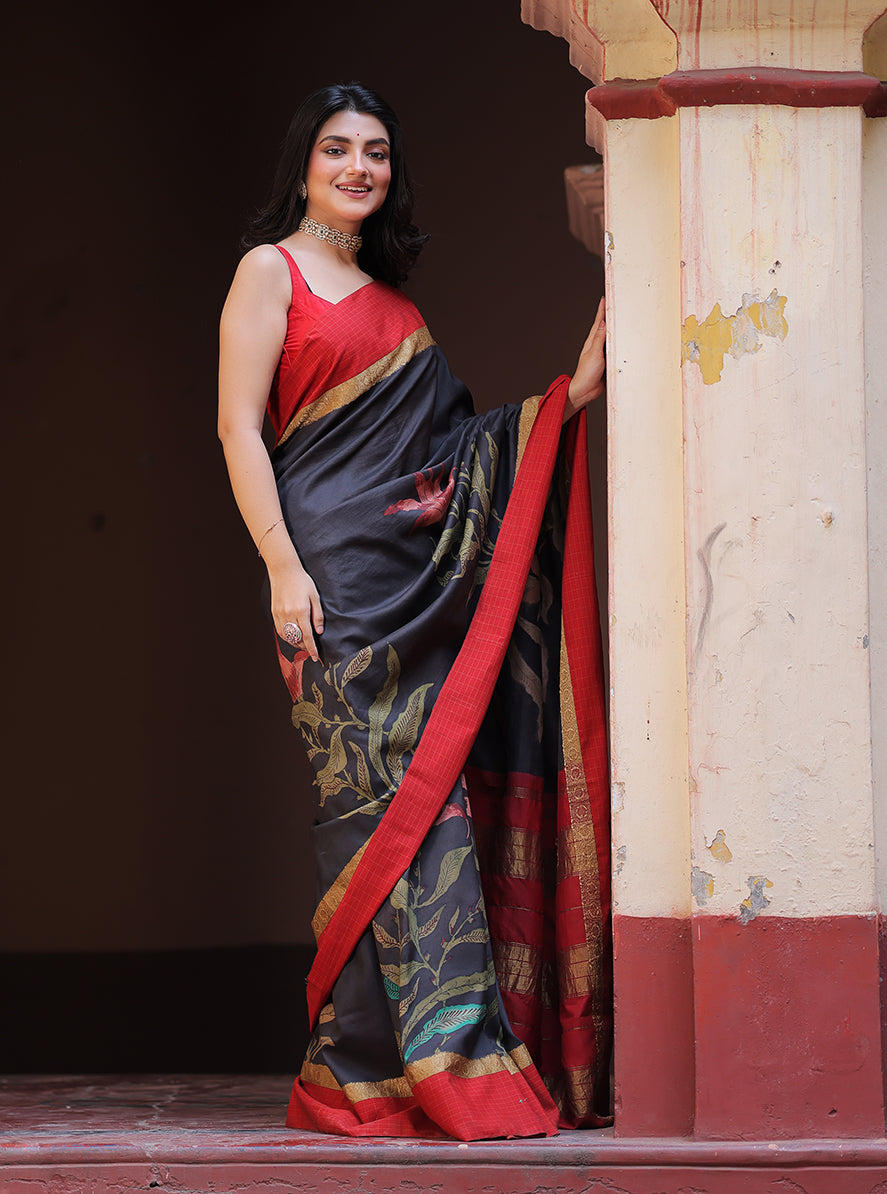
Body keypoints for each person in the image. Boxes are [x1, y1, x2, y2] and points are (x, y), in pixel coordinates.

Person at [218, 82, 610, 1141]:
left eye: (377, 152)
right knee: (368, 807)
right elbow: (240, 431)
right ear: (302, 163)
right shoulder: (270, 272)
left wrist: (561, 401)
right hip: (333, 581)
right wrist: (278, 569)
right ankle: (357, 1071)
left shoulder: (398, 310)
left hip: (420, 581)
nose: (358, 167)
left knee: (429, 806)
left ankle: (445, 1058)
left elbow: (448, 461)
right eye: (337, 149)